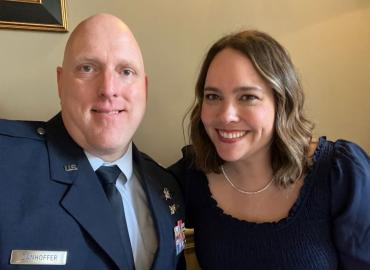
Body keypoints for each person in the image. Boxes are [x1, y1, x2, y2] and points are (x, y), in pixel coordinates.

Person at [169, 30, 370, 269]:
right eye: (213, 96)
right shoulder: (191, 175)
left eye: (247, 97)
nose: (226, 115)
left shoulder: (341, 174)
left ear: (281, 102)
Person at [0, 14, 185, 270]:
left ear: (144, 89)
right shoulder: (6, 164)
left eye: (126, 71)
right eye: (88, 68)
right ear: (60, 82)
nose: (109, 89)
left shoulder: (166, 187)